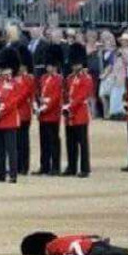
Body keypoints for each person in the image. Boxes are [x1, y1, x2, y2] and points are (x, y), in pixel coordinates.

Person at [0, 47, 22, 183]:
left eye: (7, 69)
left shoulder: (15, 83)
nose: (5, 72)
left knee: (11, 149)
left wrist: (0, 111)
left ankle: (13, 175)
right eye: (3, 69)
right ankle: (0, 174)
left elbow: (13, 102)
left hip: (9, 120)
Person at [63, 43, 93, 178]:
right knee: (70, 142)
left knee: (82, 143)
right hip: (69, 115)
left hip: (80, 113)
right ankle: (72, 166)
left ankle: (85, 168)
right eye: (74, 64)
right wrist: (65, 106)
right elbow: (66, 94)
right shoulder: (70, 78)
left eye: (77, 64)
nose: (75, 66)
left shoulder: (86, 78)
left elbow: (82, 96)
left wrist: (70, 107)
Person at [33, 43, 64, 176]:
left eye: (50, 65)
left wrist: (43, 107)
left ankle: (55, 167)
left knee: (53, 141)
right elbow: (40, 93)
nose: (47, 68)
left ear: (55, 66)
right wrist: (37, 105)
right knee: (44, 141)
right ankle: (44, 166)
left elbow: (55, 97)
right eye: (47, 65)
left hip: (52, 114)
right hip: (43, 115)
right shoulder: (44, 78)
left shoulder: (59, 79)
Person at [15, 45, 35, 175]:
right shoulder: (16, 78)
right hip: (15, 113)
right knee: (17, 141)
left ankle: (24, 166)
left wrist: (11, 103)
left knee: (23, 141)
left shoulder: (29, 79)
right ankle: (17, 165)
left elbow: (23, 95)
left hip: (24, 113)